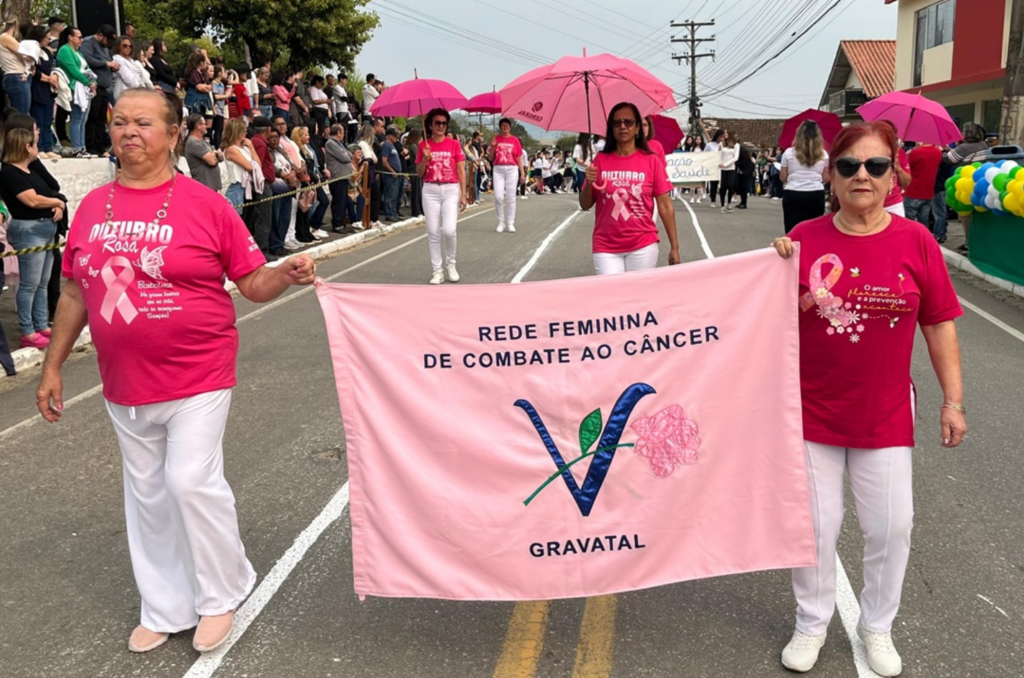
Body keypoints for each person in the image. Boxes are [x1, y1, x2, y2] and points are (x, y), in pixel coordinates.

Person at [35, 88, 316, 656]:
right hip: (124, 382)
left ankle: (221, 592)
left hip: (198, 372)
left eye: (142, 123)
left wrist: (284, 273)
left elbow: (251, 283)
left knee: (189, 482)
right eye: (118, 123)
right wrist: (53, 367)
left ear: (172, 132)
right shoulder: (92, 207)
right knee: (147, 496)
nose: (127, 132)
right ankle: (164, 604)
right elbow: (74, 292)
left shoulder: (207, 205)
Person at [771, 121, 966, 678]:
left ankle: (876, 626)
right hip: (812, 411)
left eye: (875, 166)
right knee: (814, 527)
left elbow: (940, 325)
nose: (862, 175)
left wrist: (953, 401)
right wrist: (772, 267)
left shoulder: (916, 242)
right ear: (829, 174)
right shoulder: (801, 240)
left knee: (892, 526)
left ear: (893, 176)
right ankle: (811, 622)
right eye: (850, 165)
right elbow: (756, 317)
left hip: (884, 414)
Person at [579, 101, 680, 275]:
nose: (623, 126)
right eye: (617, 123)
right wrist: (589, 183)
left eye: (628, 122)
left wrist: (674, 247)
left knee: (638, 298)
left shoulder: (652, 160)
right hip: (606, 246)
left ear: (638, 127)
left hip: (643, 244)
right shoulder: (600, 161)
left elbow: (665, 206)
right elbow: (585, 204)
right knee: (611, 297)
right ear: (611, 128)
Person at [0, 126, 65, 348]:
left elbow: (49, 191)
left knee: (42, 282)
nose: (37, 147)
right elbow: (32, 200)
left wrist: (56, 205)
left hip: (45, 227)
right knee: (29, 283)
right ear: (26, 147)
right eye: (34, 144)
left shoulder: (31, 169)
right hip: (29, 229)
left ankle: (40, 324)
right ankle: (27, 330)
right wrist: (57, 202)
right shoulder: (9, 172)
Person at [416, 107, 466, 284]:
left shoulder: (454, 144)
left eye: (444, 123)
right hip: (430, 190)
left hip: (450, 189)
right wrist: (424, 158)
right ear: (430, 125)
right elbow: (420, 173)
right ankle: (437, 271)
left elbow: (461, 169)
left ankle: (451, 264)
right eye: (437, 123)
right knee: (432, 231)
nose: (441, 126)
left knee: (449, 230)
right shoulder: (424, 145)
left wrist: (463, 194)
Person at [943, 122, 988, 253]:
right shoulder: (983, 145)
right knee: (977, 214)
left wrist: (947, 150)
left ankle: (969, 242)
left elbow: (948, 160)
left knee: (965, 215)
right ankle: (978, 241)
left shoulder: (964, 147)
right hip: (980, 182)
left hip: (965, 183)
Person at [781, 120, 830, 233]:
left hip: (793, 192)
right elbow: (826, 178)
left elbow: (783, 177)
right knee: (813, 231)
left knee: (792, 230)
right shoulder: (823, 154)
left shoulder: (788, 153)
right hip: (815, 193)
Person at [55, 26, 95, 157]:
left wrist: (93, 82)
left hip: (85, 88)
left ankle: (82, 147)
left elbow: (87, 69)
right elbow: (74, 71)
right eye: (79, 37)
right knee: (76, 119)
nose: (81, 40)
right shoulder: (65, 50)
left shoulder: (79, 52)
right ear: (70, 37)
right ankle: (77, 148)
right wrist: (88, 82)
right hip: (76, 87)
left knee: (83, 120)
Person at [79, 24, 116, 155]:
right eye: (107, 40)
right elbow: (86, 59)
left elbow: (109, 60)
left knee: (101, 119)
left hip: (104, 88)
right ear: (100, 35)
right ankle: (91, 146)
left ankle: (100, 147)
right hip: (93, 86)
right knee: (92, 117)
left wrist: (113, 65)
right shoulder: (89, 43)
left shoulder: (105, 48)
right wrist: (106, 63)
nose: (108, 44)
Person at [27, 24, 60, 160]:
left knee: (47, 120)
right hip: (37, 87)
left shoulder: (47, 52)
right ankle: (38, 147)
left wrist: (55, 77)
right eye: (46, 38)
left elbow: (54, 66)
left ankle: (48, 147)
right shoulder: (32, 51)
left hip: (48, 90)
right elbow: (33, 70)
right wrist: (48, 79)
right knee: (38, 120)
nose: (48, 40)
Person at [489, 118, 526, 233]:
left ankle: (510, 222)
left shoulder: (515, 140)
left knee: (511, 197)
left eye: (507, 125)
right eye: (503, 125)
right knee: (498, 197)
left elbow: (519, 157)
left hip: (512, 169)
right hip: (498, 169)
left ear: (510, 127)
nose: (505, 127)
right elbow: (490, 158)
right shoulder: (496, 139)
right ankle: (501, 222)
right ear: (500, 127)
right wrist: (494, 146)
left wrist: (522, 173)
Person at [221, 117, 259, 215]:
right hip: (236, 186)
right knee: (236, 217)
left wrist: (251, 148)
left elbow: (258, 166)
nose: (246, 132)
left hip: (248, 186)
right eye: (243, 130)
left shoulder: (245, 148)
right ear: (236, 132)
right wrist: (254, 166)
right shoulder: (231, 149)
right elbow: (250, 167)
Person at [903, 142, 942, 232]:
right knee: (924, 220)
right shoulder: (937, 152)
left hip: (913, 190)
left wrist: (906, 156)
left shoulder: (916, 152)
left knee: (909, 221)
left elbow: (908, 167)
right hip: (928, 191)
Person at [1, 14, 33, 113]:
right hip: (16, 75)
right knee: (22, 114)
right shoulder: (5, 37)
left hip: (17, 75)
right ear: (15, 23)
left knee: (21, 112)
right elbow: (27, 55)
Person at [325, 123, 354, 232]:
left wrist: (347, 154)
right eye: (342, 132)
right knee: (338, 202)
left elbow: (349, 155)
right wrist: (346, 154)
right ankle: (337, 224)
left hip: (344, 176)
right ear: (338, 133)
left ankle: (341, 221)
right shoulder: (331, 143)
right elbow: (344, 157)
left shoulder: (339, 144)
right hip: (337, 176)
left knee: (343, 201)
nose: (343, 134)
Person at [183, 114, 223, 192]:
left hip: (211, 187)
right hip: (203, 187)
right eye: (205, 124)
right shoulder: (193, 142)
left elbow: (221, 157)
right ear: (198, 126)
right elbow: (212, 161)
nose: (207, 126)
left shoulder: (203, 142)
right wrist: (216, 154)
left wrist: (216, 155)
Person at [112, 35, 149, 100]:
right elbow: (128, 78)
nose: (128, 47)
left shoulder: (131, 60)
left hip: (135, 93)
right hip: (124, 93)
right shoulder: (117, 59)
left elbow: (138, 75)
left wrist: (142, 87)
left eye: (130, 46)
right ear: (118, 46)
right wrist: (140, 88)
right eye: (125, 45)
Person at [379, 125, 403, 222]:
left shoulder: (392, 145)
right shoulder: (386, 145)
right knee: (390, 195)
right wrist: (392, 171)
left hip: (396, 174)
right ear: (388, 136)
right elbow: (384, 161)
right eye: (394, 135)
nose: (396, 137)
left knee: (395, 194)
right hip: (390, 175)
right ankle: (389, 214)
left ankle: (393, 213)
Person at [718, 132, 738, 212]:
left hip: (731, 168)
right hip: (722, 169)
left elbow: (735, 158)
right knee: (722, 187)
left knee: (730, 185)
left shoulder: (736, 145)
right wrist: (719, 150)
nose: (724, 135)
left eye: (726, 133)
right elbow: (718, 155)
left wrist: (725, 164)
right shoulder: (721, 144)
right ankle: (722, 205)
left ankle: (729, 203)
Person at [705, 129, 725, 206]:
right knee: (714, 184)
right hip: (713, 167)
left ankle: (723, 202)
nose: (722, 139)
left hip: (722, 166)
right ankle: (713, 200)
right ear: (717, 136)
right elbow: (704, 155)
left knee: (723, 185)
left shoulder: (724, 145)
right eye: (721, 137)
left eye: (723, 137)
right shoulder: (709, 145)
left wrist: (721, 150)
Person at [735, 138, 755, 209]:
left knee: (744, 187)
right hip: (742, 170)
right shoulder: (739, 149)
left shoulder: (741, 150)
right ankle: (742, 202)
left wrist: (734, 162)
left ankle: (744, 203)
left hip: (746, 170)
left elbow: (742, 162)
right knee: (741, 186)